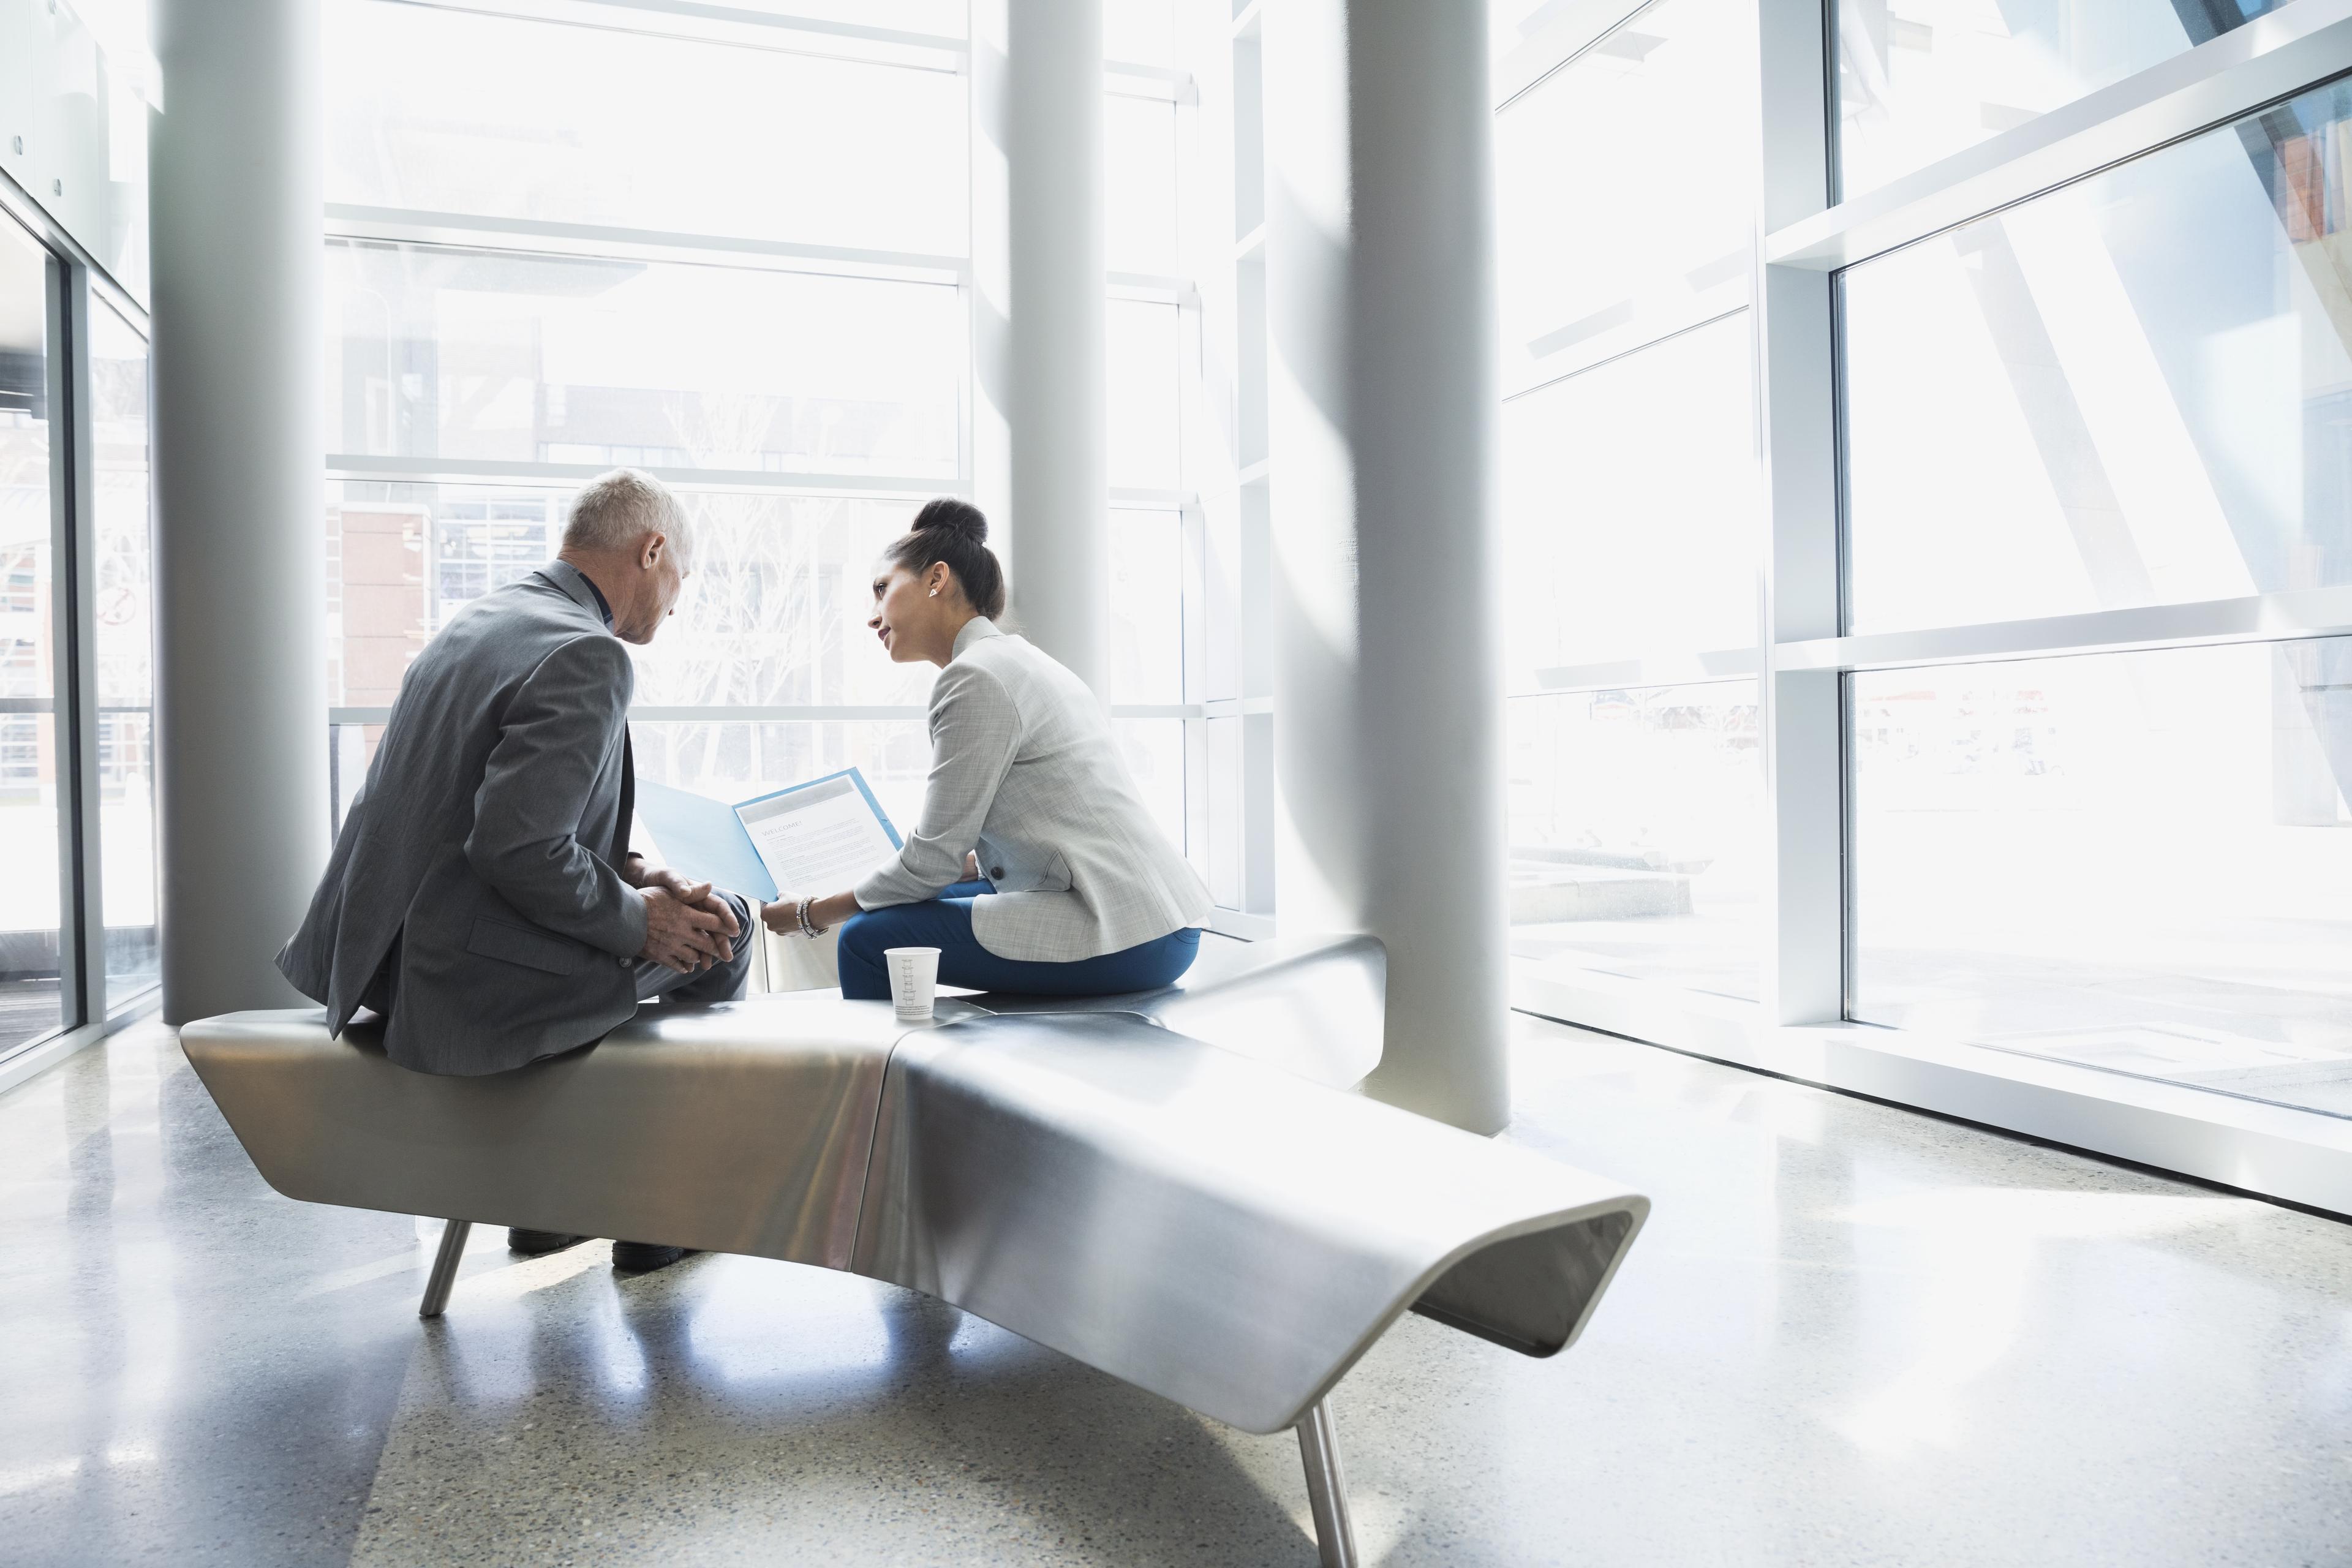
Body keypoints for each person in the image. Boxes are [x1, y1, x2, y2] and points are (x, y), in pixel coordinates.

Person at [276, 468, 752, 1272]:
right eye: (682, 581)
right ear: (654, 550)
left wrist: (636, 875)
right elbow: (519, 851)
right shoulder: (588, 655)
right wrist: (649, 920)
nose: (677, 603)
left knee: (665, 928)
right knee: (725, 933)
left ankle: (547, 1202)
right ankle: (655, 1209)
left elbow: (479, 814)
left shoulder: (484, 620)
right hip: (465, 983)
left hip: (386, 961)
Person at [767, 499, 1212, 1000]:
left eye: (881, 589)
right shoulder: (1016, 659)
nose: (872, 617)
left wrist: (810, 913)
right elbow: (988, 844)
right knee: (887, 909)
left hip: (1128, 933)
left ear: (937, 579)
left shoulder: (975, 677)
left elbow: (929, 864)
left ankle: (904, 1075)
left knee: (866, 940)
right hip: (1160, 913)